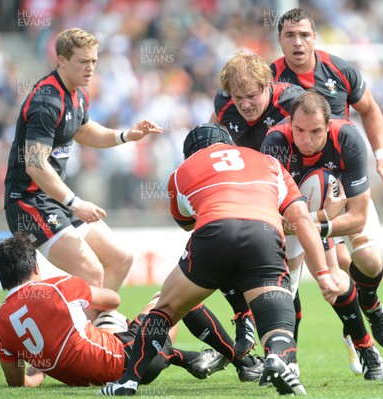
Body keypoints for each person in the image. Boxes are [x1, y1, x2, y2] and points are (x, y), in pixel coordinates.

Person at [98, 123, 339, 396]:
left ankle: (127, 381)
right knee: (276, 316)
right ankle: (277, 357)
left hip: (215, 232)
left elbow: (186, 222)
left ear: (190, 153)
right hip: (263, 233)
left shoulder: (181, 172)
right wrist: (324, 274)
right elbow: (302, 218)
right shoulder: (268, 161)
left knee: (164, 309)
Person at [2, 28, 162, 317]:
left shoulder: (77, 95)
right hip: (27, 202)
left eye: (94, 62)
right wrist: (76, 203)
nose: (90, 68)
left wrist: (126, 135)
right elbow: (35, 165)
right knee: (91, 271)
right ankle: (64, 350)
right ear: (61, 61)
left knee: (120, 259)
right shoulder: (46, 102)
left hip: (53, 198)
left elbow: (85, 131)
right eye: (82, 62)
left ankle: (88, 340)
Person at [271, 8, 383, 357]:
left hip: (343, 182)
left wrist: (381, 154)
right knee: (321, 272)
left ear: (315, 37)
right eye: (289, 36)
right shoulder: (268, 80)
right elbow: (241, 114)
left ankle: (370, 306)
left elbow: (371, 109)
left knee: (368, 262)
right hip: (297, 191)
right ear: (280, 40)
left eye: (304, 35)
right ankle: (303, 352)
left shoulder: (340, 71)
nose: (297, 42)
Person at [261, 91, 383, 380]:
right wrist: (319, 218)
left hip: (340, 210)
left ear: (329, 125)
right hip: (300, 214)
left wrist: (319, 224)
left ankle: (369, 308)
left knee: (369, 261)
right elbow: (272, 216)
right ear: (289, 123)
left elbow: (357, 217)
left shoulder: (348, 138)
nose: (306, 139)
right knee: (287, 286)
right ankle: (287, 359)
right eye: (299, 130)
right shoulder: (275, 142)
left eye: (316, 131)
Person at [0, 232, 220, 387]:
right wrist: (85, 303)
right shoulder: (58, 287)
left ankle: (188, 358)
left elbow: (18, 384)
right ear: (36, 266)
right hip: (136, 361)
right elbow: (113, 300)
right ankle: (242, 361)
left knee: (105, 328)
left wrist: (38, 370)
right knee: (168, 298)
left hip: (93, 377)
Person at [207, 51, 308, 358]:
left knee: (289, 284)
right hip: (253, 194)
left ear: (268, 87)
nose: (246, 104)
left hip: (295, 191)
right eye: (239, 97)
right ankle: (246, 322)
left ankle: (357, 341)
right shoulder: (223, 104)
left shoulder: (293, 102)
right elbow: (212, 143)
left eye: (252, 95)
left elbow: (323, 133)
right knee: (221, 253)